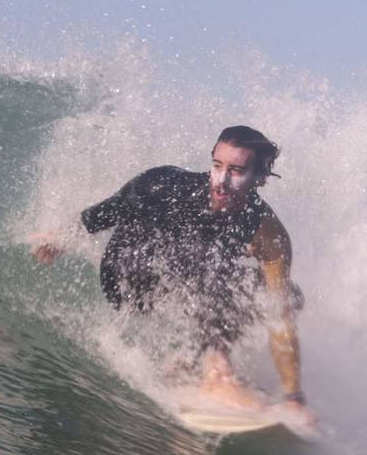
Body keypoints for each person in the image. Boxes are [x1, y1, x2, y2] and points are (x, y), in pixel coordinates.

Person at [32, 125, 308, 414]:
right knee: (209, 259)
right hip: (127, 271)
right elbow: (105, 213)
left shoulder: (268, 233)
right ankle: (217, 370)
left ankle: (189, 360)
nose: (222, 180)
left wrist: (294, 398)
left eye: (236, 171)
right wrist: (59, 239)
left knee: (285, 293)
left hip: (188, 278)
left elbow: (279, 314)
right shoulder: (164, 185)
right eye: (217, 165)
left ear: (260, 178)